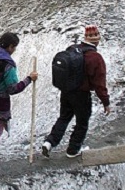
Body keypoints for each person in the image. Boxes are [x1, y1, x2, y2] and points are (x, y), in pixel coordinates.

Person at [42, 25, 110, 158]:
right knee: (82, 122)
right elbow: (99, 84)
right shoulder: (95, 57)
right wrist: (105, 102)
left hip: (66, 91)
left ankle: (49, 142)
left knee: (64, 117)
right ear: (97, 39)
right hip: (82, 94)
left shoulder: (73, 49)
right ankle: (73, 150)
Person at [0, 33, 38, 175]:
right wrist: (29, 79)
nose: (14, 50)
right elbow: (12, 88)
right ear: (10, 46)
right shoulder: (7, 64)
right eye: (14, 47)